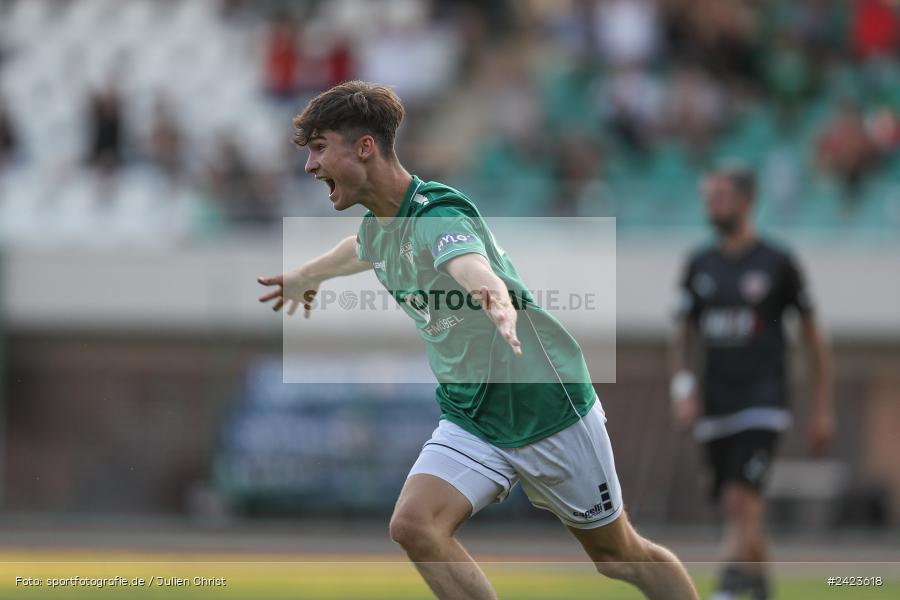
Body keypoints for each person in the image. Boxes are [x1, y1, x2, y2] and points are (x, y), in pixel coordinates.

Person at [258, 81, 699, 600]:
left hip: (545, 407)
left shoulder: (438, 213)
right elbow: (354, 250)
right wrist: (308, 275)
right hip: (472, 417)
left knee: (619, 557)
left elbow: (471, 266)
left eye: (318, 149)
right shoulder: (380, 229)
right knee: (414, 525)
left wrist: (496, 303)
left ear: (364, 147)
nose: (310, 167)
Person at [670, 167, 834, 600]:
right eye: (709, 195)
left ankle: (727, 591)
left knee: (742, 502)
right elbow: (682, 335)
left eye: (721, 195)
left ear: (747, 201)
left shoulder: (778, 263)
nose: (712, 204)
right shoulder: (699, 264)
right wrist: (683, 390)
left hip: (764, 402)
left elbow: (815, 338)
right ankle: (762, 592)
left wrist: (821, 408)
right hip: (715, 403)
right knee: (742, 510)